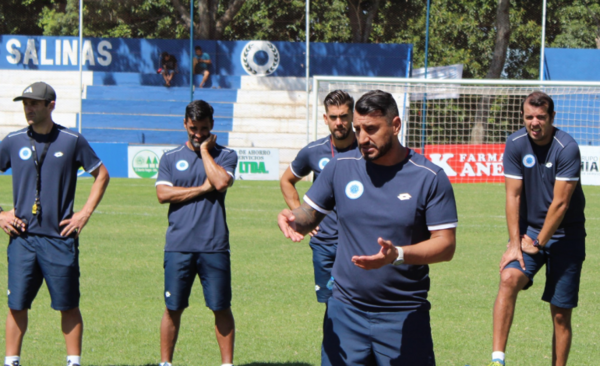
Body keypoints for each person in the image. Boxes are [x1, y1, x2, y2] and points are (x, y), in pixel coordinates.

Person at [278, 90, 458, 365]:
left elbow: (446, 245)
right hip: (345, 312)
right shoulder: (341, 167)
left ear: (396, 125)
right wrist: (294, 219)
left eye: (371, 129)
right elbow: (309, 215)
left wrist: (397, 254)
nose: (362, 138)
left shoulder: (429, 177)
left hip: (404, 313)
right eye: (358, 129)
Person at [0, 82, 110, 366]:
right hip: (22, 240)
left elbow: (101, 175)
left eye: (34, 103)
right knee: (16, 305)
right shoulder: (13, 140)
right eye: (25, 103)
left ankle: (73, 362)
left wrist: (84, 213)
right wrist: (0, 213)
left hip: (60, 239)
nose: (28, 108)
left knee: (68, 305)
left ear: (51, 105)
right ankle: (11, 361)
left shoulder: (71, 140)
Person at [488, 92, 586, 366]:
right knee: (508, 279)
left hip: (567, 235)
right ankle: (497, 360)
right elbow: (513, 196)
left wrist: (539, 243)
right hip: (529, 232)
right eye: (529, 116)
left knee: (560, 313)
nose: (534, 123)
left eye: (541, 117)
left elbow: (561, 203)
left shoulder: (567, 147)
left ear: (552, 118)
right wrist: (514, 243)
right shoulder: (515, 144)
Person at [155, 100, 238, 366]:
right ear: (184, 124)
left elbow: (221, 181)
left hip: (213, 244)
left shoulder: (226, 155)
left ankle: (227, 364)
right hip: (178, 244)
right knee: (172, 307)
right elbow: (162, 194)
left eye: (203, 128)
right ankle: (166, 363)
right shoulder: (170, 157)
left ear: (212, 126)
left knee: (220, 306)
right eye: (193, 128)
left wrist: (204, 151)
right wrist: (202, 190)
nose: (198, 133)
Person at [280, 90, 356, 304]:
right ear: (326, 119)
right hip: (324, 242)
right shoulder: (313, 152)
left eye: (343, 116)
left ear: (353, 117)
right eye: (333, 117)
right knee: (330, 304)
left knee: (358, 303)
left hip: (357, 242)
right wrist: (300, 215)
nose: (339, 122)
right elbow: (286, 180)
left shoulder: (367, 150)